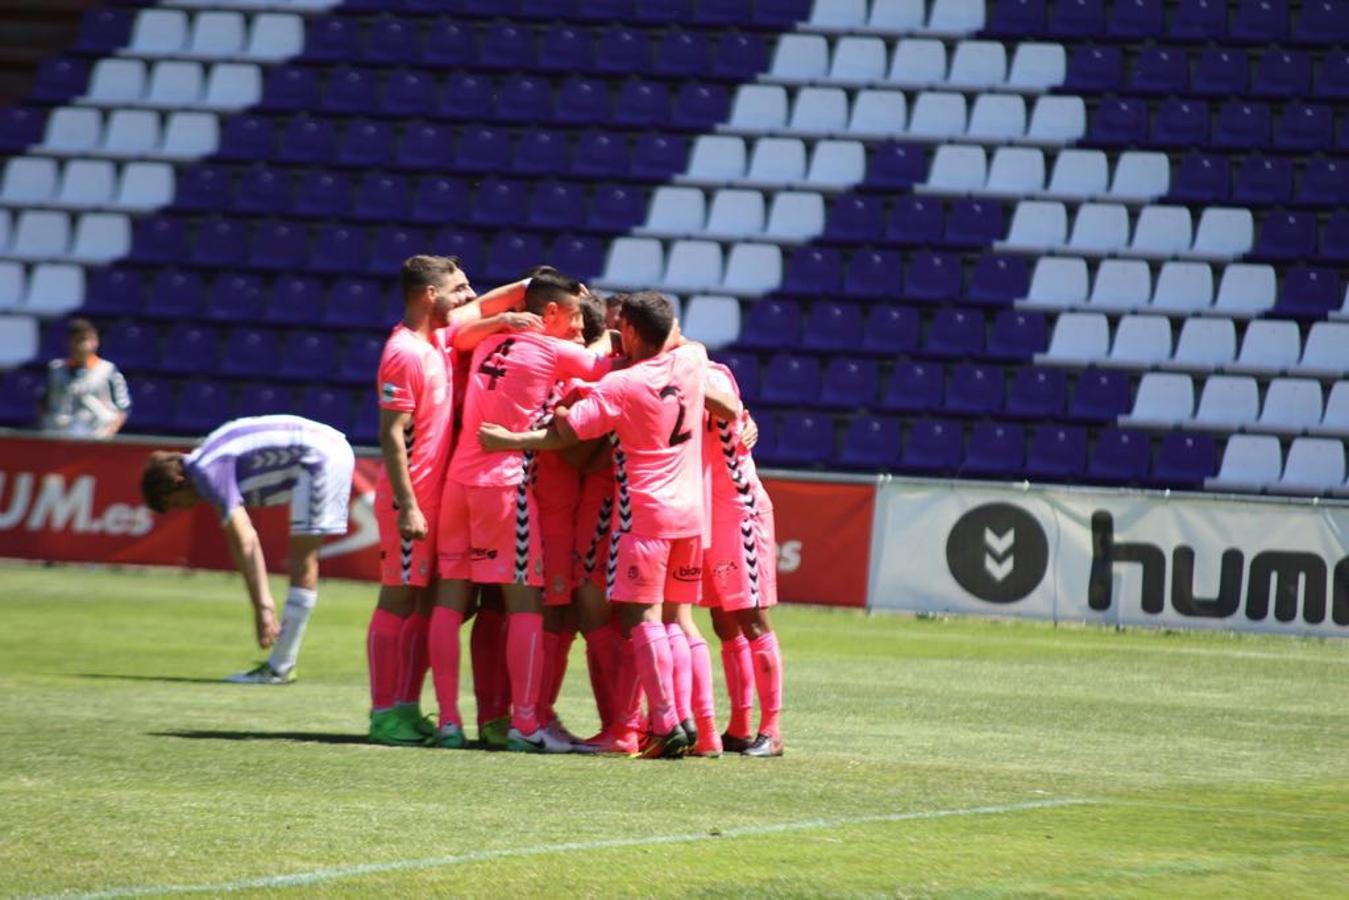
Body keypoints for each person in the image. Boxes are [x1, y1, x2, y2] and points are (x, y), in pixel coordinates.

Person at [479, 291, 709, 759]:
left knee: (633, 617)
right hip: (689, 513)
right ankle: (681, 721)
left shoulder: (621, 385)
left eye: (613, 330)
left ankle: (651, 723)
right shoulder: (692, 361)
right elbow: (712, 384)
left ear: (630, 332)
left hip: (641, 511)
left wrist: (523, 431)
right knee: (666, 619)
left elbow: (570, 439)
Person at [431, 270, 614, 753]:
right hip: (503, 485)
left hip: (457, 482)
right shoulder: (549, 349)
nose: (577, 326)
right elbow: (603, 362)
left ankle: (449, 721)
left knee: (451, 601)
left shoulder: (489, 341)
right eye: (573, 316)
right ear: (551, 313)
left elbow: (457, 331)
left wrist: (508, 310)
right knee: (525, 604)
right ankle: (526, 723)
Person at [368, 255, 536, 747]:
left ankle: (404, 705)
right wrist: (409, 505)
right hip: (411, 499)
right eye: (458, 288)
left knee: (423, 601)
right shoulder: (404, 353)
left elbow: (481, 307)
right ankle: (383, 713)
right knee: (397, 600)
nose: (467, 297)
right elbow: (391, 436)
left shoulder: (436, 339)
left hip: (437, 496)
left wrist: (527, 286)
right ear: (428, 296)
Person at [139, 415, 355, 684]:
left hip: (319, 458)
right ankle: (281, 664)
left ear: (177, 483)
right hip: (327, 445)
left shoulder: (207, 471)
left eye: (173, 503)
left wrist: (263, 607)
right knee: (302, 557)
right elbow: (236, 537)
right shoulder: (206, 456)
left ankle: (280, 667)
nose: (182, 509)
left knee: (302, 559)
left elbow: (246, 540)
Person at [701, 362, 785, 757]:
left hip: (739, 510)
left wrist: (683, 377)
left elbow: (731, 408)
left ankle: (772, 730)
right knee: (723, 620)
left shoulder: (705, 373)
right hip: (707, 513)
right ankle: (739, 726)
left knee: (751, 617)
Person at [40, 318, 131, 438]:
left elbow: (122, 407)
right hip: (59, 437)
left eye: (85, 339)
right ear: (69, 342)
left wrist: (108, 433)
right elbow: (42, 404)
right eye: (76, 340)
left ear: (96, 341)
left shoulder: (108, 370)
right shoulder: (55, 369)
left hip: (97, 437)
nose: (81, 345)